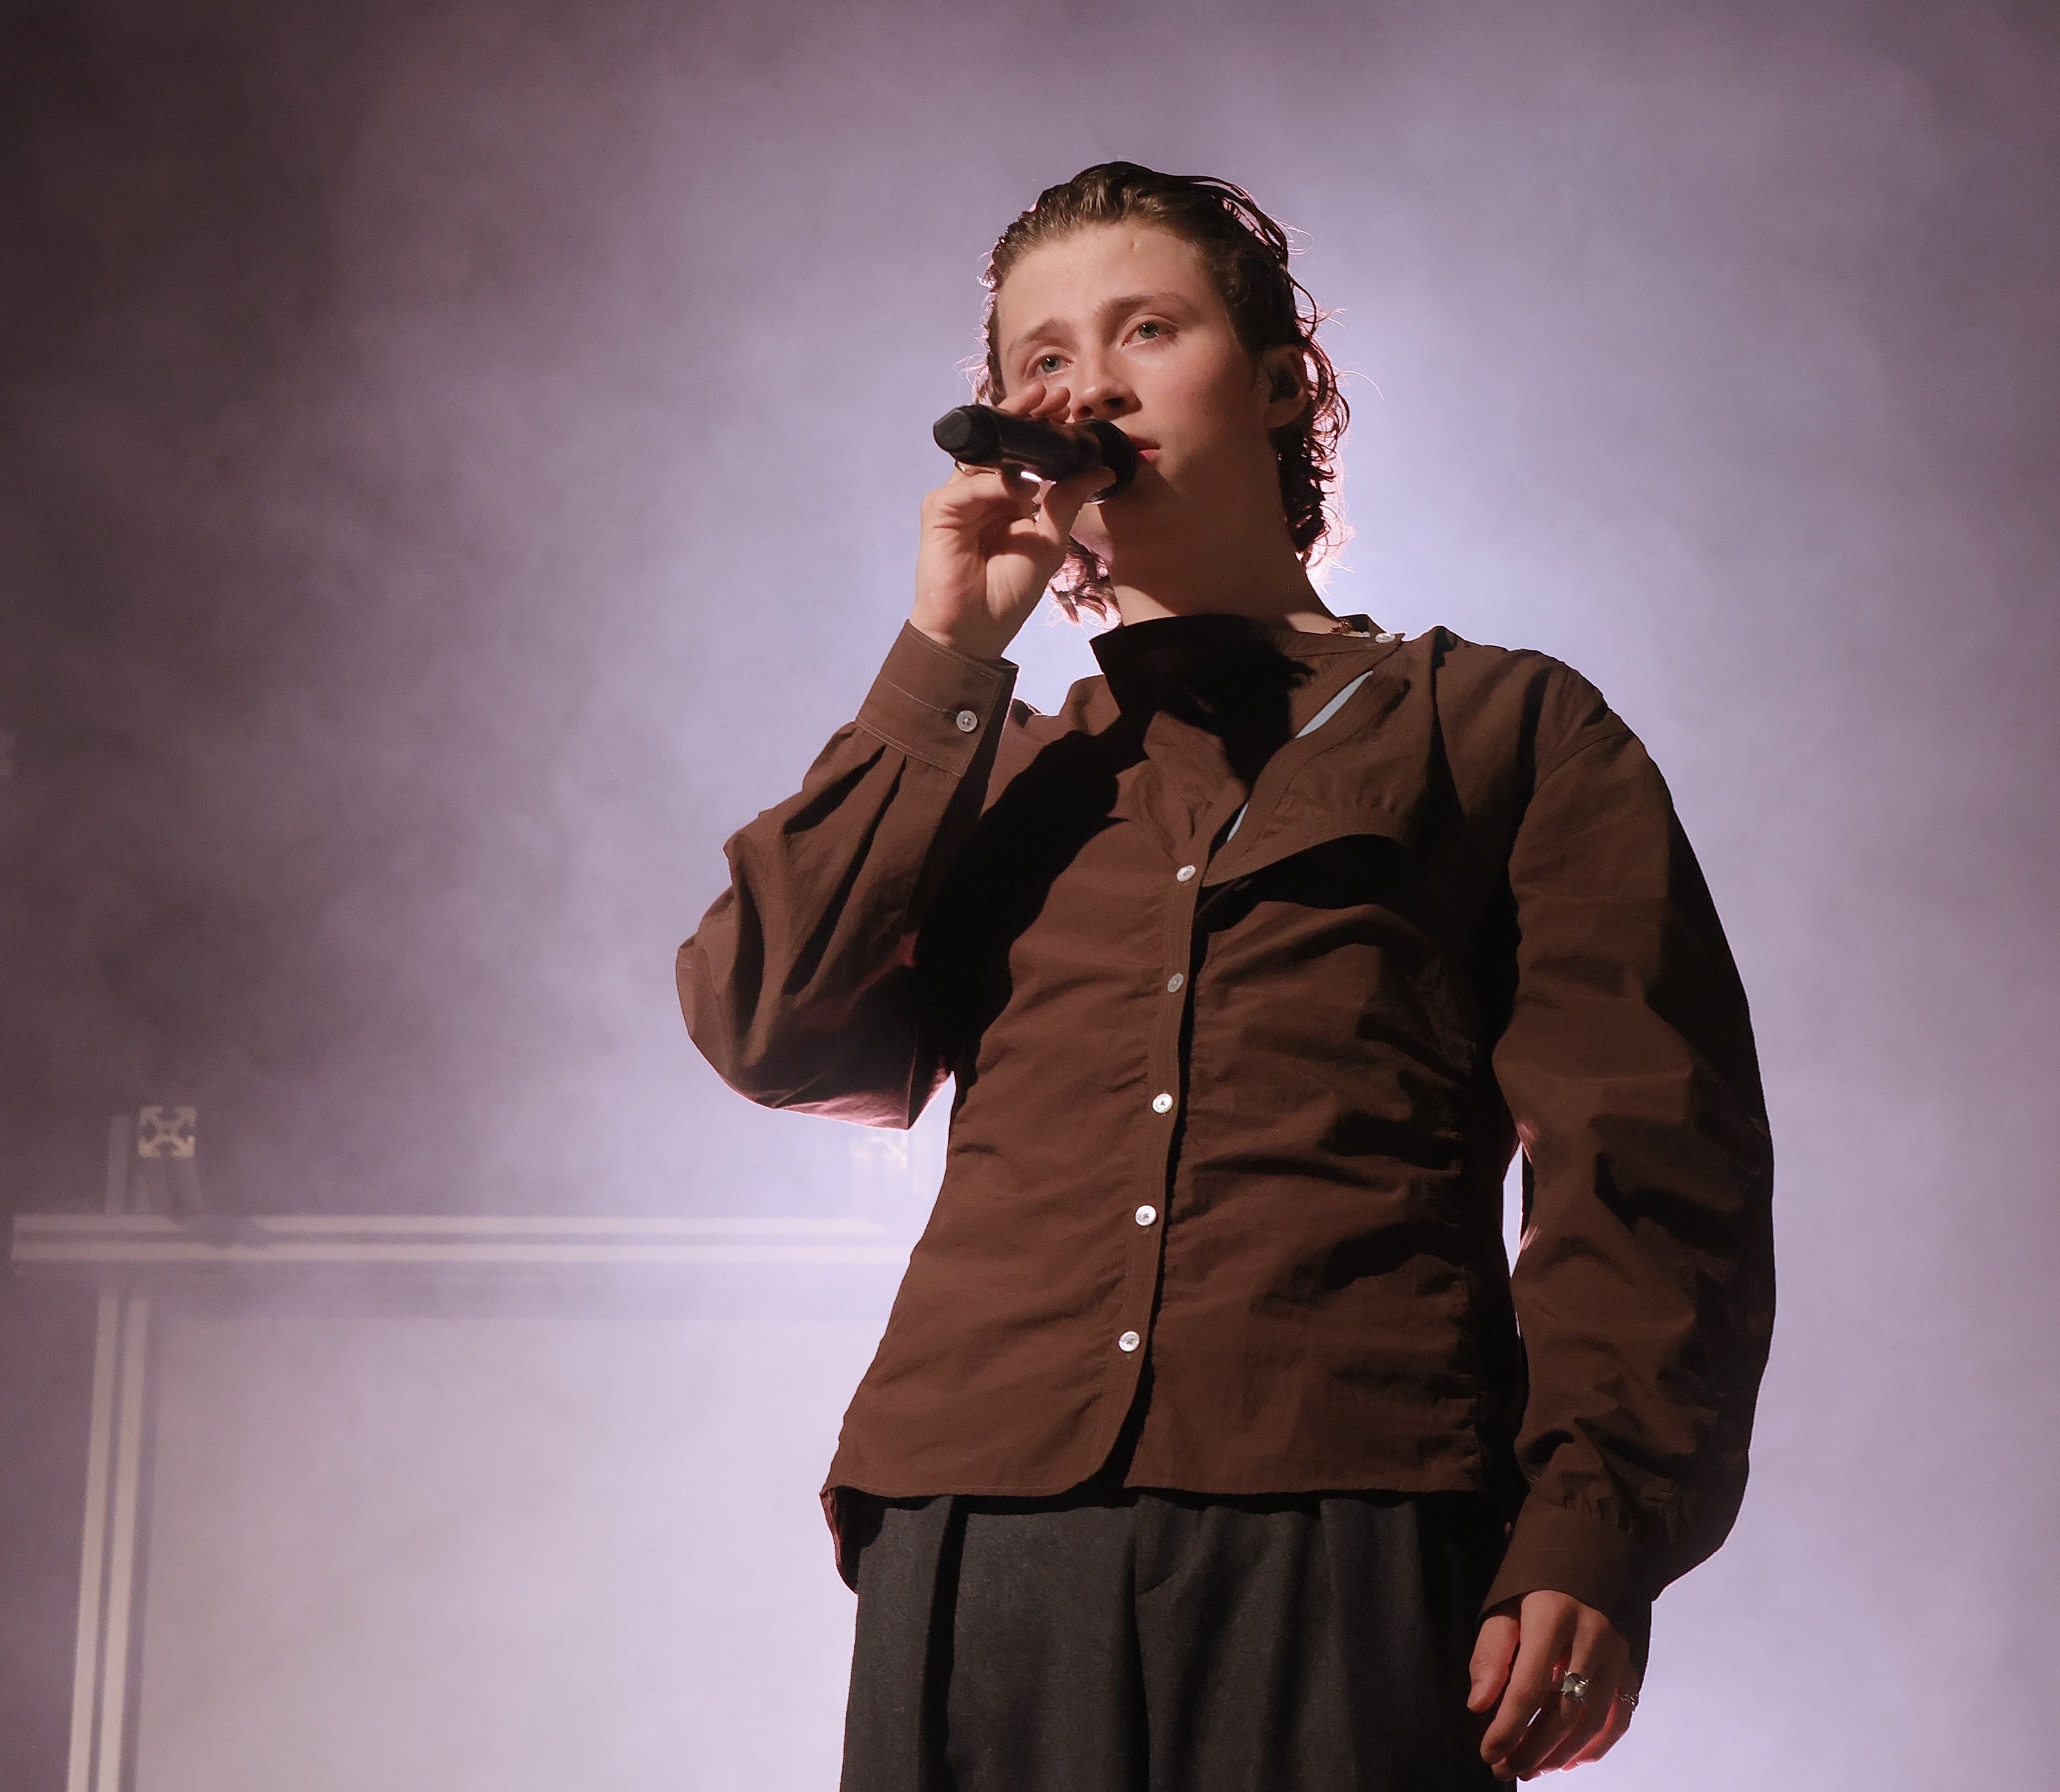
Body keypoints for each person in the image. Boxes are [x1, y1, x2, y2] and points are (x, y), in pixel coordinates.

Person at [677, 162, 1774, 1789]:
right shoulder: (991, 769)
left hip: (1348, 1503)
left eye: (1146, 328)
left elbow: (1653, 1164)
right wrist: (946, 656)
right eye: (1042, 361)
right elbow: (767, 1020)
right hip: (984, 1520)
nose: (1090, 386)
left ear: (1279, 385)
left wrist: (1594, 1527)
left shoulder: (1505, 729)